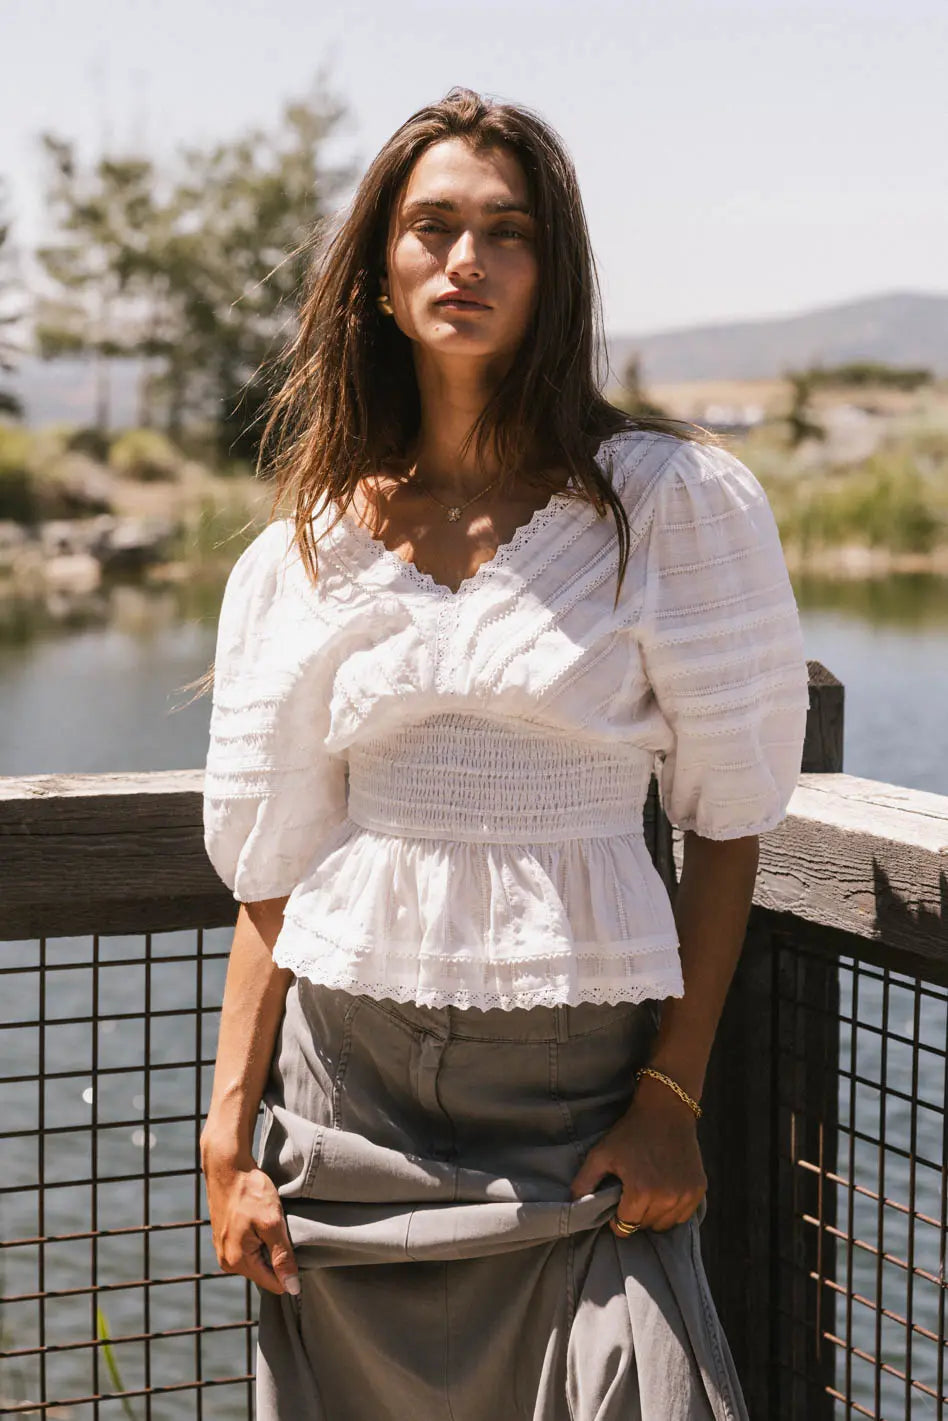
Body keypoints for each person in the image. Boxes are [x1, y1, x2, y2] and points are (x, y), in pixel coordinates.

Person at [199, 86, 810, 1420]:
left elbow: (728, 818)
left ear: (554, 270)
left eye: (506, 231)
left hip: (582, 1103)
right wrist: (225, 1127)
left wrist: (670, 1090)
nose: (466, 260)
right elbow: (275, 855)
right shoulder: (303, 544)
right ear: (375, 273)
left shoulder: (669, 504)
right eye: (432, 228)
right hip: (344, 1098)